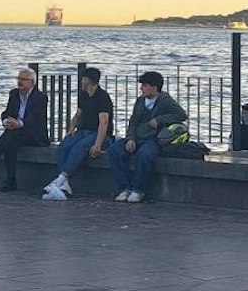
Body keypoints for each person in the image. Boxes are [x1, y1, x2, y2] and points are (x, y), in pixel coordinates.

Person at [106, 71, 187, 204]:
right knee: (114, 150)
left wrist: (159, 119)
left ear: (154, 87)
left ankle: (138, 189)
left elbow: (181, 115)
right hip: (137, 137)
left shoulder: (165, 101)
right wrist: (130, 138)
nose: (141, 88)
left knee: (145, 155)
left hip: (153, 139)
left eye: (145, 85)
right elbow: (133, 121)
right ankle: (124, 187)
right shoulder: (140, 101)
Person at [44, 67, 114, 200]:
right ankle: (64, 184)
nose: (81, 82)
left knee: (80, 147)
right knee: (65, 145)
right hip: (83, 131)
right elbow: (78, 114)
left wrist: (98, 144)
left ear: (87, 80)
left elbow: (104, 123)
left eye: (82, 79)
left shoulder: (102, 97)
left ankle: (60, 180)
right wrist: (71, 129)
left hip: (100, 135)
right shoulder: (84, 95)